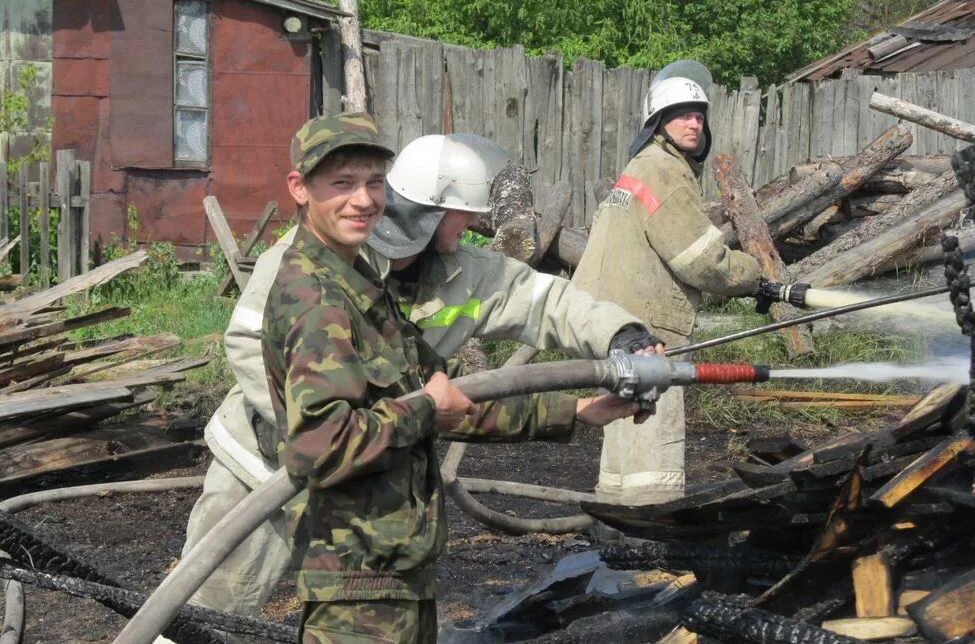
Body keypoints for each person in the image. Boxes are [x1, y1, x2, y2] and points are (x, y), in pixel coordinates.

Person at [178, 123, 662, 627]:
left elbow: (544, 305)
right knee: (204, 611)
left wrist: (620, 336)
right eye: (462, 216)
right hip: (265, 465)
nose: (471, 227)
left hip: (371, 494)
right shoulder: (314, 272)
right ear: (425, 214)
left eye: (372, 184)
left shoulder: (454, 272)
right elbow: (254, 350)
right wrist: (341, 428)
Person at [572, 60, 768, 505]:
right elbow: (700, 260)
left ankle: (616, 525)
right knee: (651, 434)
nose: (694, 123)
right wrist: (752, 275)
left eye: (699, 115)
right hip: (647, 327)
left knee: (622, 421)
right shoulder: (664, 170)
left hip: (610, 323)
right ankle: (651, 530)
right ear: (658, 122)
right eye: (683, 114)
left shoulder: (639, 166)